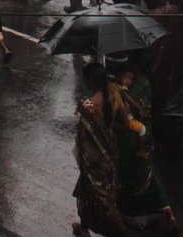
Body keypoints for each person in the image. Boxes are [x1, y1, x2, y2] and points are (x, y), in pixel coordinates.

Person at [108, 63, 177, 233]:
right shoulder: (144, 84)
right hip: (144, 137)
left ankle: (135, 216)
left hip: (130, 142)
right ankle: (163, 210)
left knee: (134, 178)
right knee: (150, 174)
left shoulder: (124, 91)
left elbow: (122, 117)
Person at [73, 62, 129, 237]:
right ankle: (84, 227)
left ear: (91, 82)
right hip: (111, 154)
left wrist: (82, 160)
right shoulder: (114, 95)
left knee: (98, 199)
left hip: (92, 159)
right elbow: (125, 124)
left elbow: (81, 137)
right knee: (101, 194)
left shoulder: (88, 106)